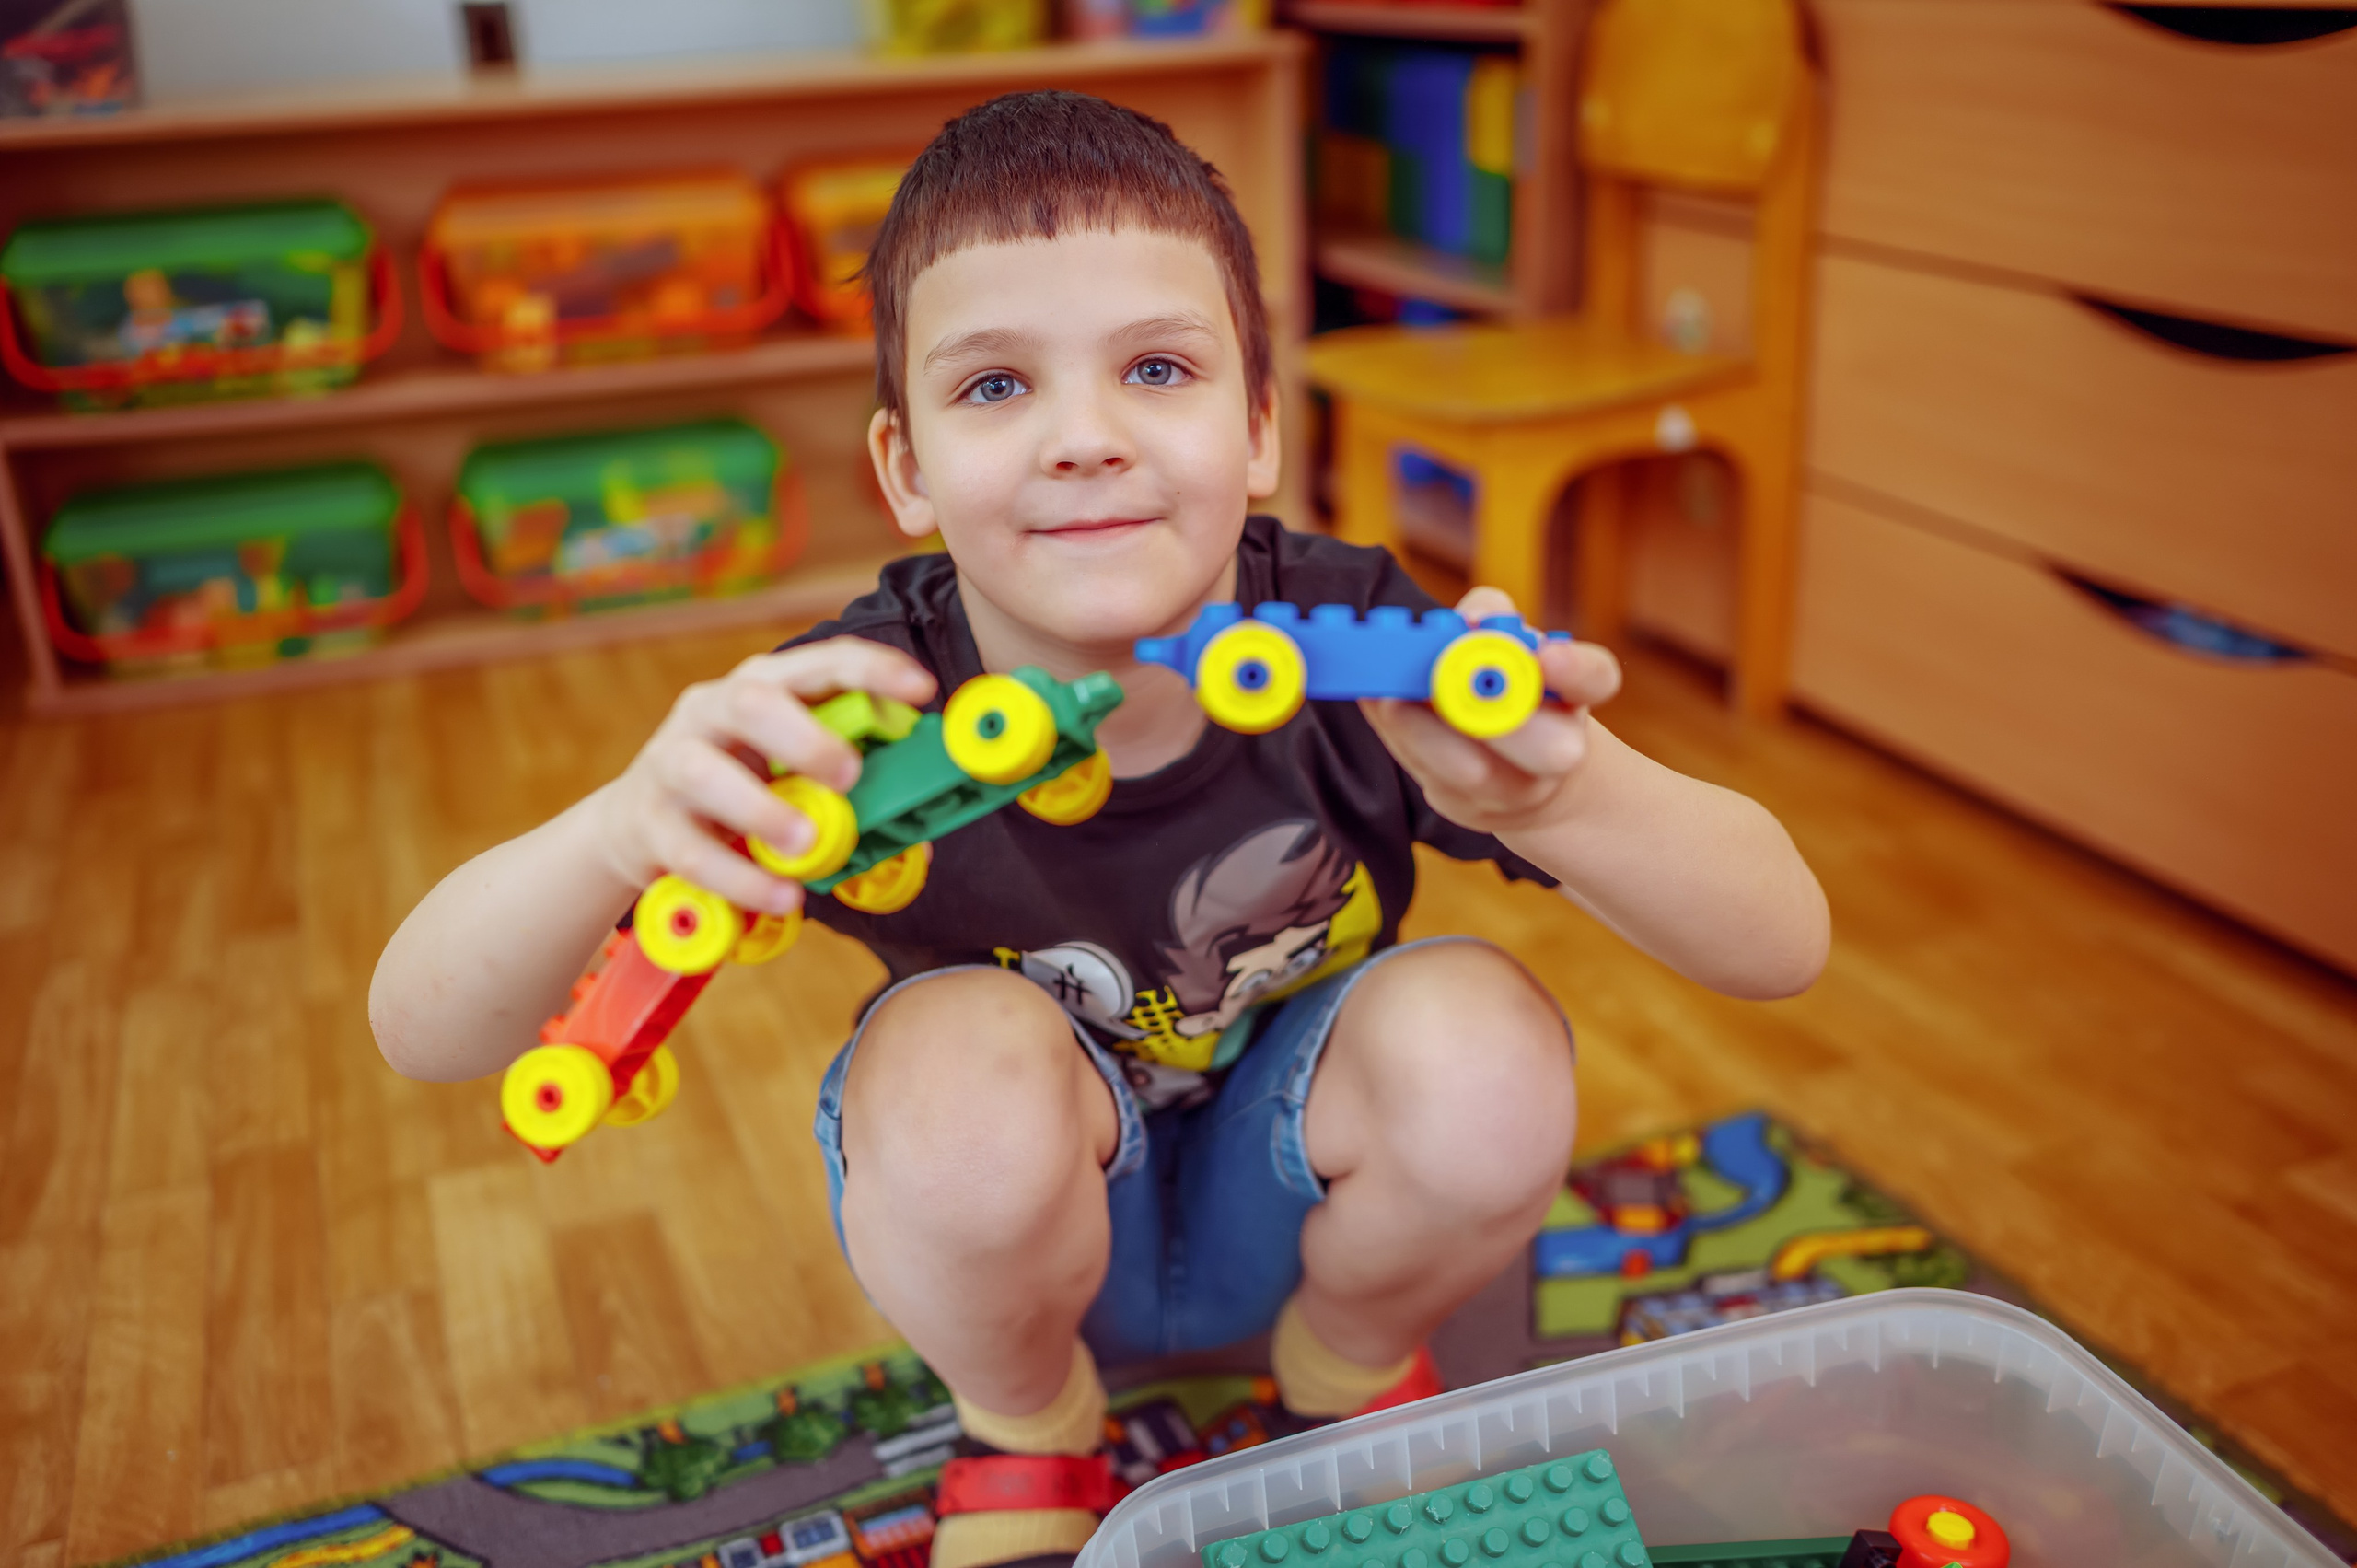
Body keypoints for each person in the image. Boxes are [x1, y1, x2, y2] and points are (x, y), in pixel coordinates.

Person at [371, 90, 1829, 1568]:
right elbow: (421, 1031)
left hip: (1303, 1208)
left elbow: (1783, 943)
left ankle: (1343, 1365)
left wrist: (1567, 794)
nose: (1084, 439)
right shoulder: (860, 712)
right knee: (945, 1066)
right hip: (1016, 1220)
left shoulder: (1364, 645)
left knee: (1485, 1035)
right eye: (997, 387)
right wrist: (628, 823)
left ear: (1258, 429)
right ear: (907, 471)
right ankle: (1026, 1426)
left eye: (1155, 366)